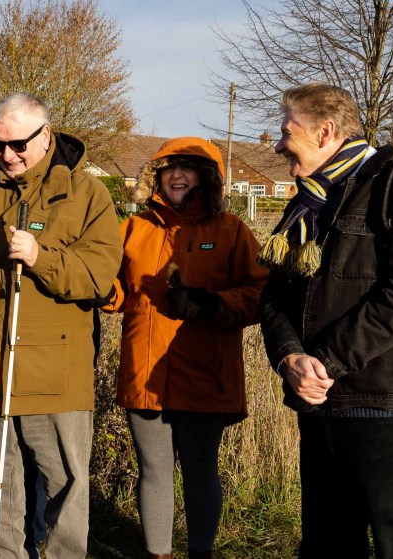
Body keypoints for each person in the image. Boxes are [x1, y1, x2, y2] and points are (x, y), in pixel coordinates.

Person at [259, 83, 393, 559]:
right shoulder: (306, 204)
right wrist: (289, 357)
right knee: (328, 545)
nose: (278, 143)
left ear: (325, 131)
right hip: (319, 404)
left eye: (288, 131)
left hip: (385, 402)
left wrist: (324, 361)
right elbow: (272, 297)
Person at [0, 92, 122, 558]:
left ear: (46, 135)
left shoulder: (87, 194)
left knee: (65, 487)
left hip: (54, 373)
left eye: (18, 144)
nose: (7, 155)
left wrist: (42, 257)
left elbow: (99, 277)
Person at [104, 137, 268, 559]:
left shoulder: (232, 230)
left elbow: (260, 293)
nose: (176, 175)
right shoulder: (134, 228)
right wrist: (103, 289)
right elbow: (119, 292)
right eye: (168, 168)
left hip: (205, 372)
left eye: (188, 168)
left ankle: (201, 554)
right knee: (154, 471)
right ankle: (158, 555)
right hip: (145, 371)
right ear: (155, 177)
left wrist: (212, 303)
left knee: (199, 471)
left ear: (207, 178)